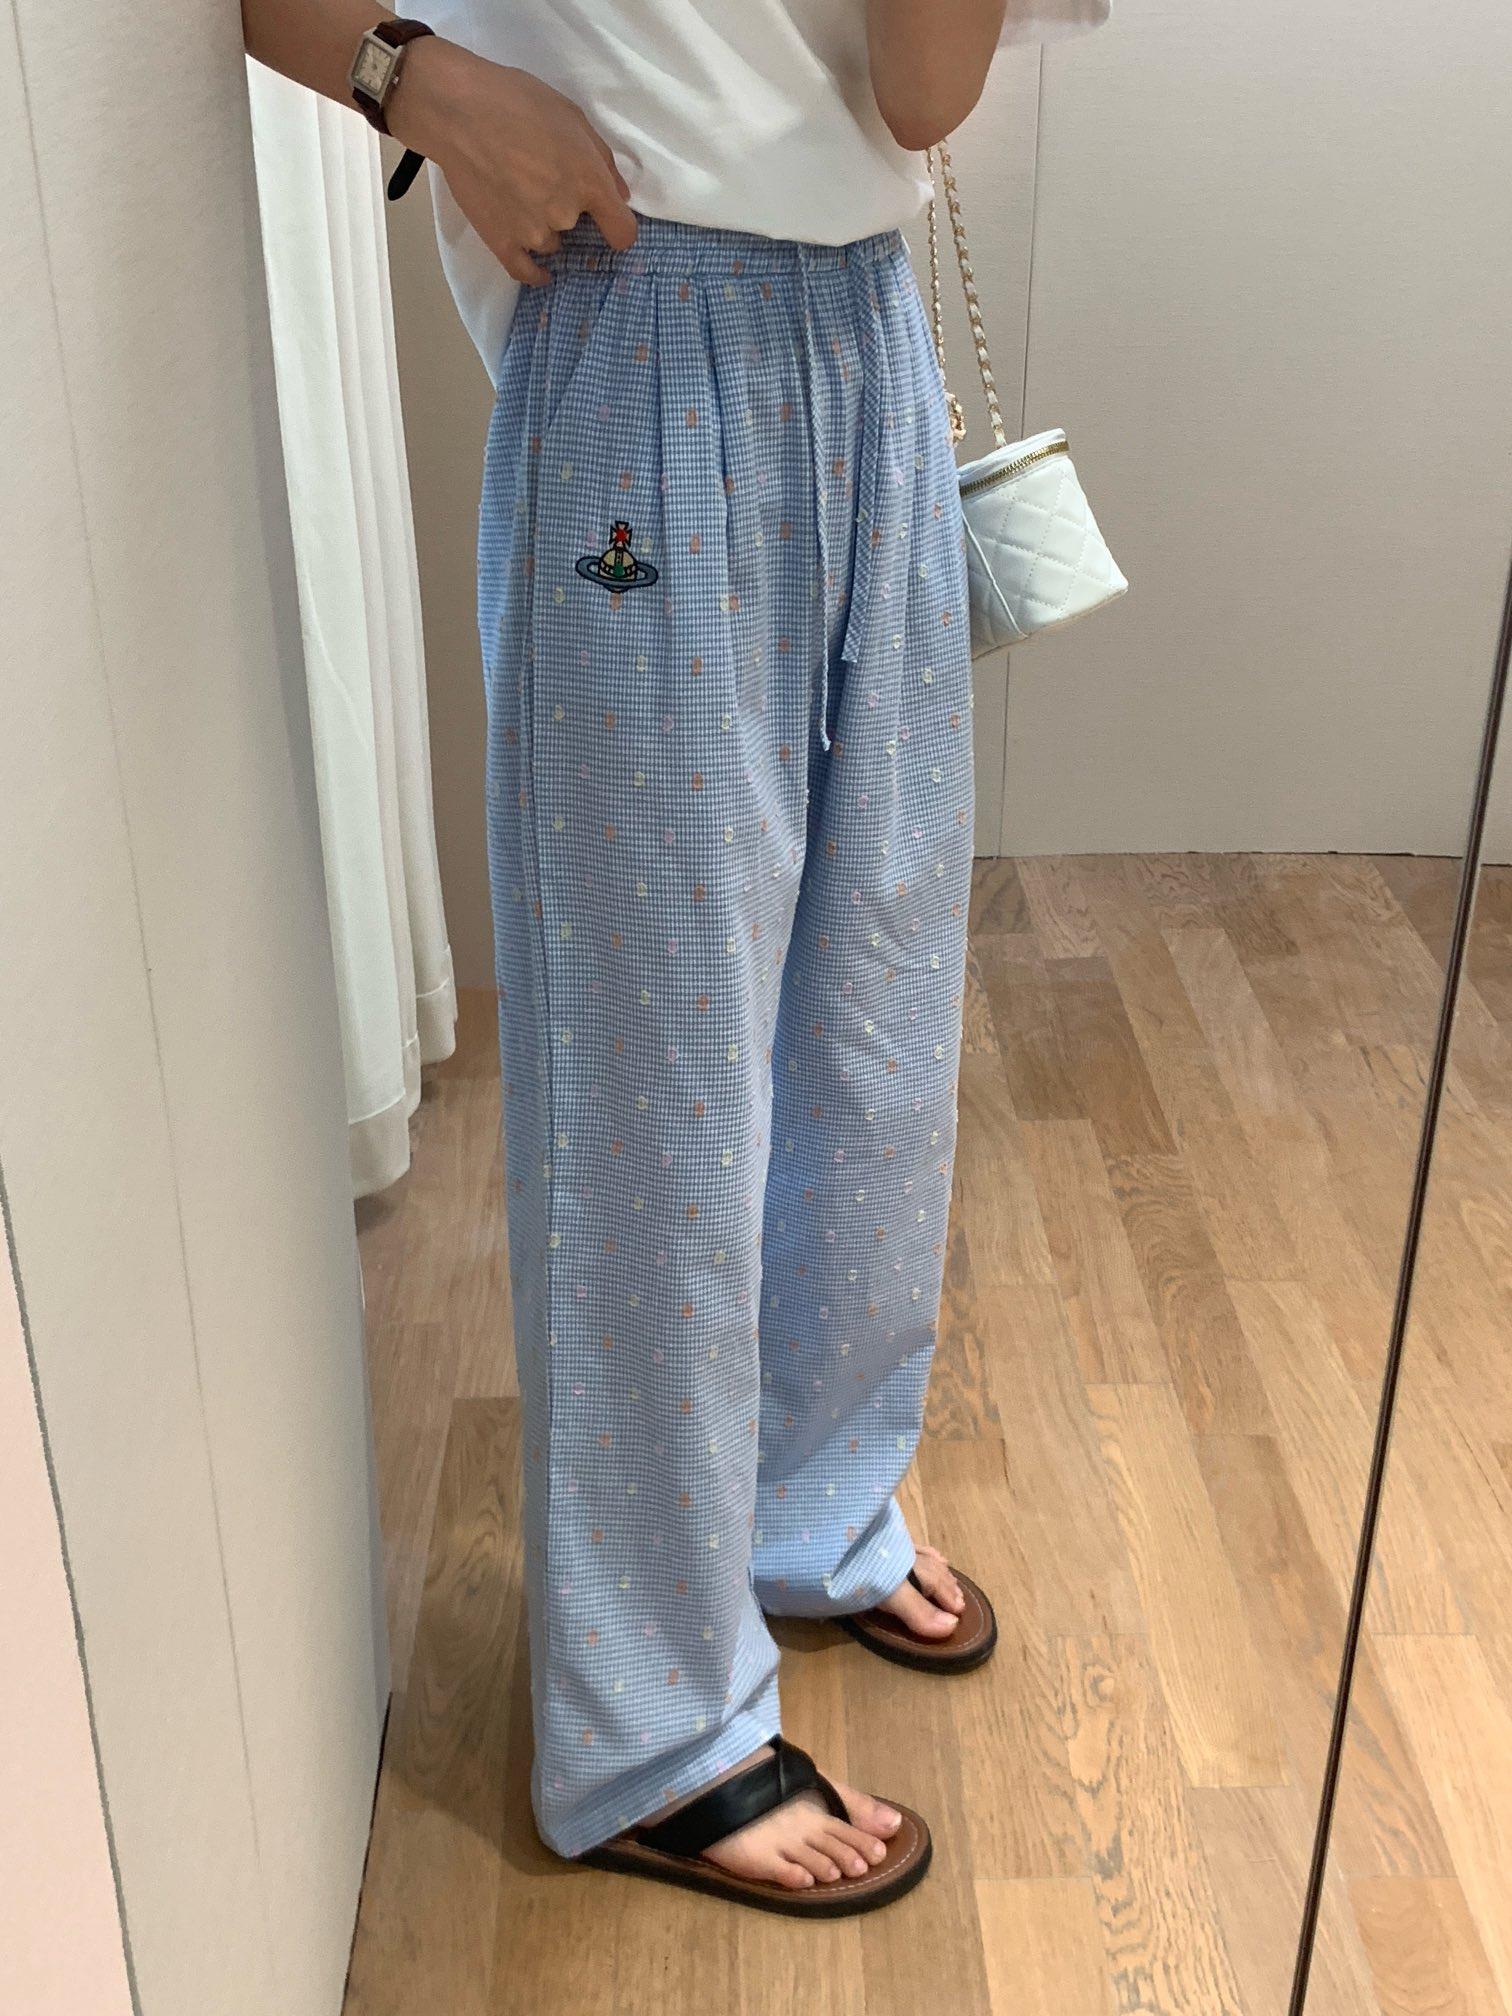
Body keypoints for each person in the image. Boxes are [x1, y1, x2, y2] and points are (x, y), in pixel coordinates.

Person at [243, 0, 1107, 1918]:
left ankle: (810, 1504)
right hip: (637, 324)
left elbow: (921, 92)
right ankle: (649, 1726)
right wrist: (418, 80)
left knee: (874, 1011)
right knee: (656, 1066)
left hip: (866, 321)